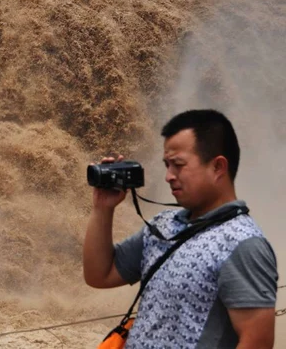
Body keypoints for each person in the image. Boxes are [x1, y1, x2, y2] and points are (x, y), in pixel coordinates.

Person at [83, 109, 278, 348]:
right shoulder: (163, 225)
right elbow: (99, 275)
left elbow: (258, 341)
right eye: (167, 165)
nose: (168, 176)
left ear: (218, 167)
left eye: (178, 165)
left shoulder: (243, 243)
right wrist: (103, 208)